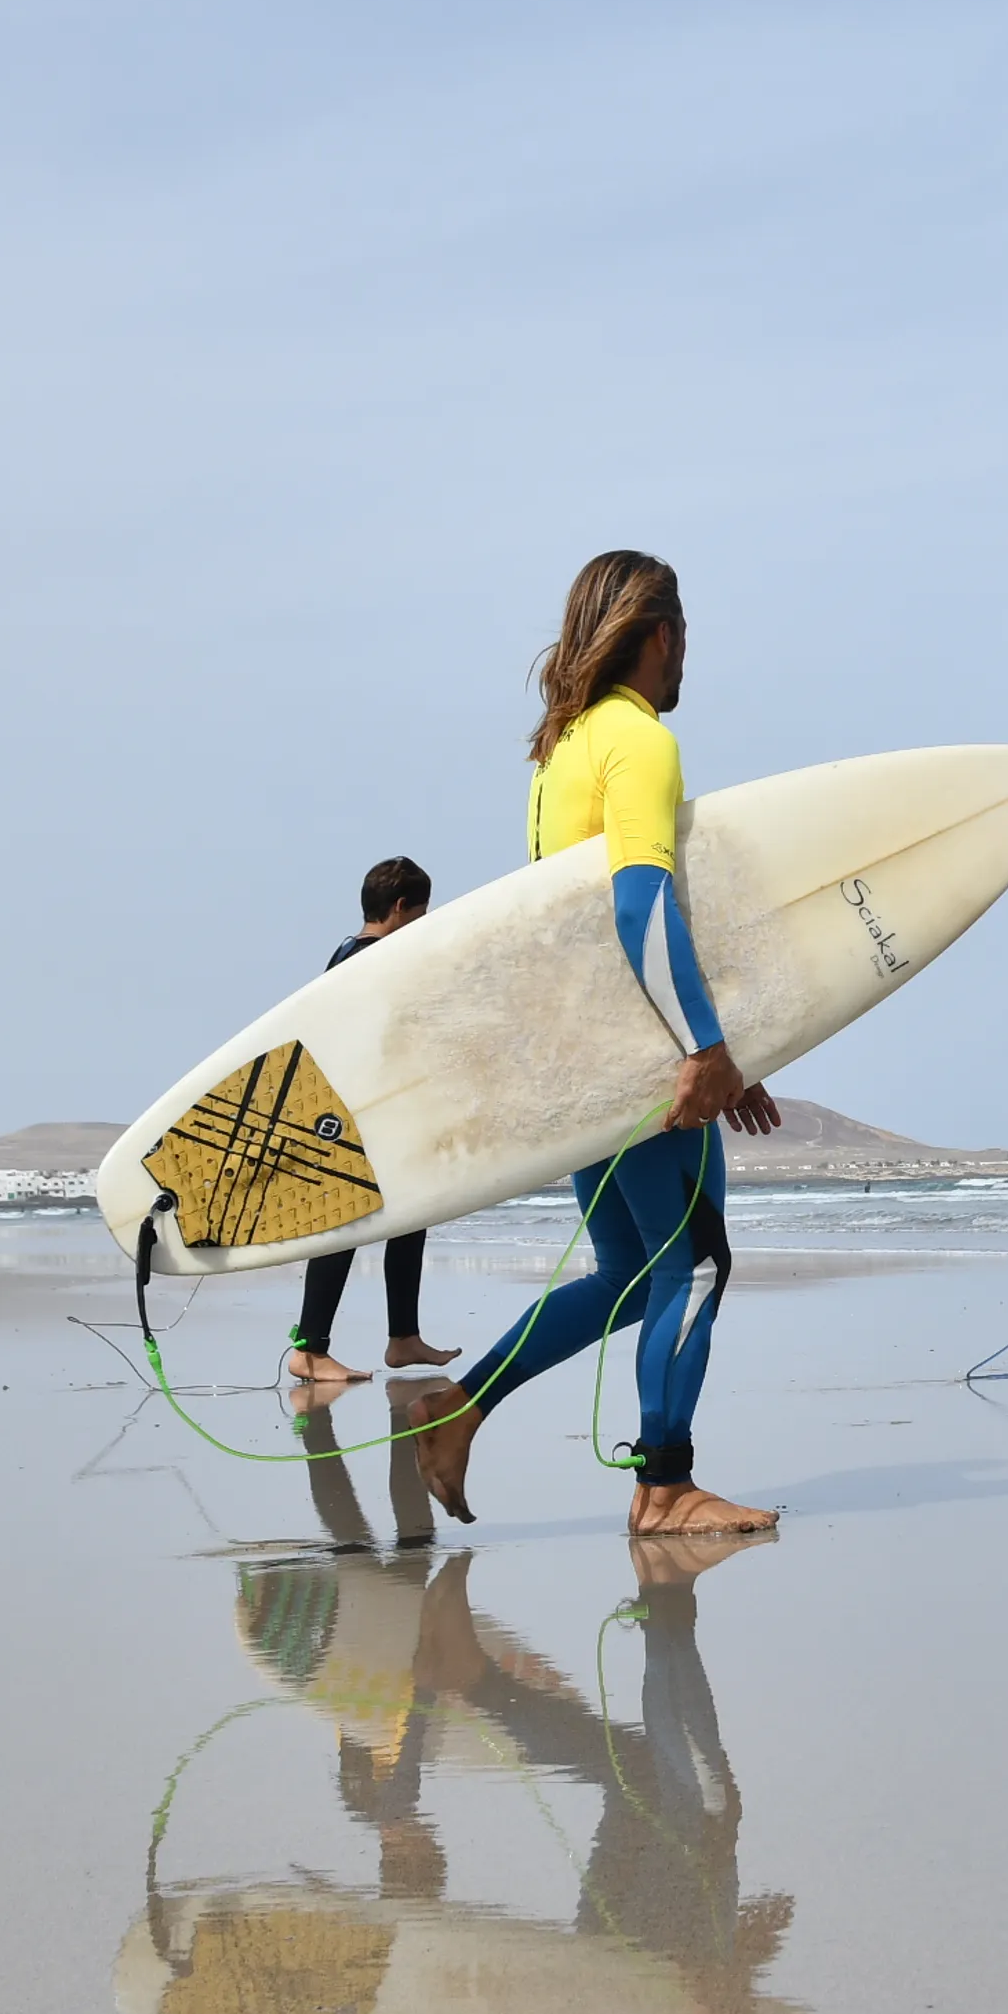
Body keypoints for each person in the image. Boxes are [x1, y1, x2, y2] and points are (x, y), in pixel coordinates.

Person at [398, 553, 782, 1535]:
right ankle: (666, 1487)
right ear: (661, 635)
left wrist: (724, 1053)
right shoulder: (638, 740)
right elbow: (640, 906)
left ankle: (458, 1409)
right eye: (685, 637)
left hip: (580, 1060)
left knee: (626, 1274)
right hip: (641, 1061)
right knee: (694, 1264)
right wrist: (702, 1048)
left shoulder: (562, 751)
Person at [287, 857, 464, 1387]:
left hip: (359, 1110)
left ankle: (403, 1337)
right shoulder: (376, 961)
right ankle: (309, 1350)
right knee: (345, 1225)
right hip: (366, 1115)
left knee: (410, 1216)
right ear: (401, 907)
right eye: (421, 913)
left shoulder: (344, 954)